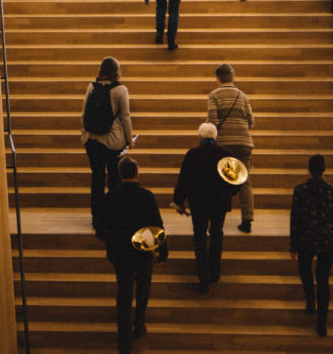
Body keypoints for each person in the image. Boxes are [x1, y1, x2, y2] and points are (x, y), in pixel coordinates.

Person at [101, 156, 163, 354]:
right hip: (142, 251)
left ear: (119, 174)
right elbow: (157, 226)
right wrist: (162, 253)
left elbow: (101, 228)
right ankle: (139, 324)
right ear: (137, 173)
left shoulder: (110, 196)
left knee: (124, 293)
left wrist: (111, 242)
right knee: (143, 288)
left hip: (120, 252)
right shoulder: (147, 196)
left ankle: (124, 343)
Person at [171, 122, 238, 294]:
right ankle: (215, 271)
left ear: (199, 137)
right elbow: (235, 182)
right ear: (216, 137)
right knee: (217, 233)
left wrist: (178, 201)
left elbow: (183, 180)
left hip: (198, 202)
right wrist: (230, 193)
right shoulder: (226, 154)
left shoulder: (192, 154)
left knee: (199, 237)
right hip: (219, 202)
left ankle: (203, 277)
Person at [289, 153, 333, 337]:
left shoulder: (300, 190)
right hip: (328, 240)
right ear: (324, 169)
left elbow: (295, 219)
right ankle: (322, 322)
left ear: (309, 169)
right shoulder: (331, 190)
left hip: (306, 239)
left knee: (305, 271)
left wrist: (293, 245)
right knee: (323, 280)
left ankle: (310, 299)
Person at [80, 56, 134, 234]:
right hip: (112, 141)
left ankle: (96, 217)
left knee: (97, 178)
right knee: (113, 179)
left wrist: (86, 132)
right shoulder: (121, 90)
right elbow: (125, 117)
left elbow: (83, 112)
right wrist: (129, 140)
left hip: (92, 140)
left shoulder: (91, 86)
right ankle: (113, 215)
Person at [207, 62, 255, 233]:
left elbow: (213, 122)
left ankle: (217, 220)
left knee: (219, 181)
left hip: (224, 145)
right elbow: (251, 121)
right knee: (245, 182)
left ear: (218, 78)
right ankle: (247, 220)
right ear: (232, 77)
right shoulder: (243, 96)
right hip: (244, 143)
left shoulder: (214, 95)